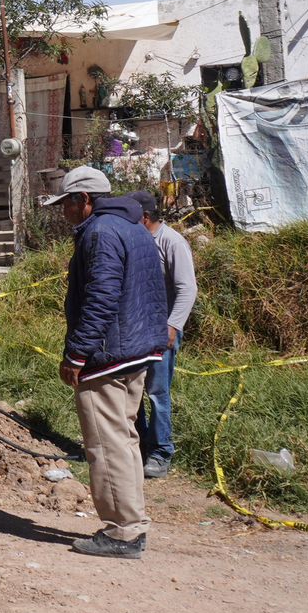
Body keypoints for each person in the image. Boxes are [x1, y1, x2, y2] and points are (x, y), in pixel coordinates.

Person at [44, 166, 169, 559]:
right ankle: (133, 522)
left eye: (66, 204)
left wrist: (77, 353)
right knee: (125, 439)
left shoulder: (99, 232)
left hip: (108, 354)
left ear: (84, 200)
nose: (63, 211)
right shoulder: (135, 227)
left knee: (106, 444)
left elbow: (101, 297)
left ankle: (122, 533)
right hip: (137, 350)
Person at [127, 189, 198, 478]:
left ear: (145, 217)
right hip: (137, 330)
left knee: (157, 392)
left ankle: (160, 452)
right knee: (133, 389)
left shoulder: (172, 242)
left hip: (162, 331)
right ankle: (140, 443)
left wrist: (172, 326)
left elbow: (187, 288)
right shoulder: (137, 240)